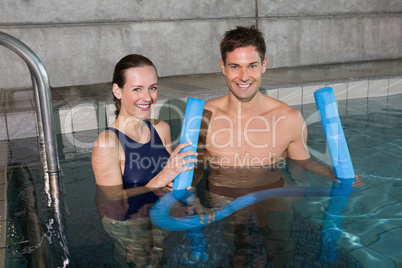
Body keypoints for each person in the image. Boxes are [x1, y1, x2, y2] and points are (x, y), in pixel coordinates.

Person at [195, 26, 363, 267]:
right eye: (235, 66)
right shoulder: (204, 115)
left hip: (273, 194)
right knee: (238, 254)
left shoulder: (289, 117)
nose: (244, 76)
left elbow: (301, 160)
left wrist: (333, 174)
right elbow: (193, 165)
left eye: (252, 65)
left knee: (281, 248)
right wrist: (191, 197)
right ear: (223, 66)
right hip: (224, 197)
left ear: (264, 64)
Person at [92, 54, 199, 267]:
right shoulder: (107, 143)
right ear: (117, 90)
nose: (148, 97)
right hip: (128, 223)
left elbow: (171, 179)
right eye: (137, 89)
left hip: (160, 214)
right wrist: (162, 179)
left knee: (159, 261)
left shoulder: (162, 129)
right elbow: (113, 202)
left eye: (152, 87)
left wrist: (187, 193)